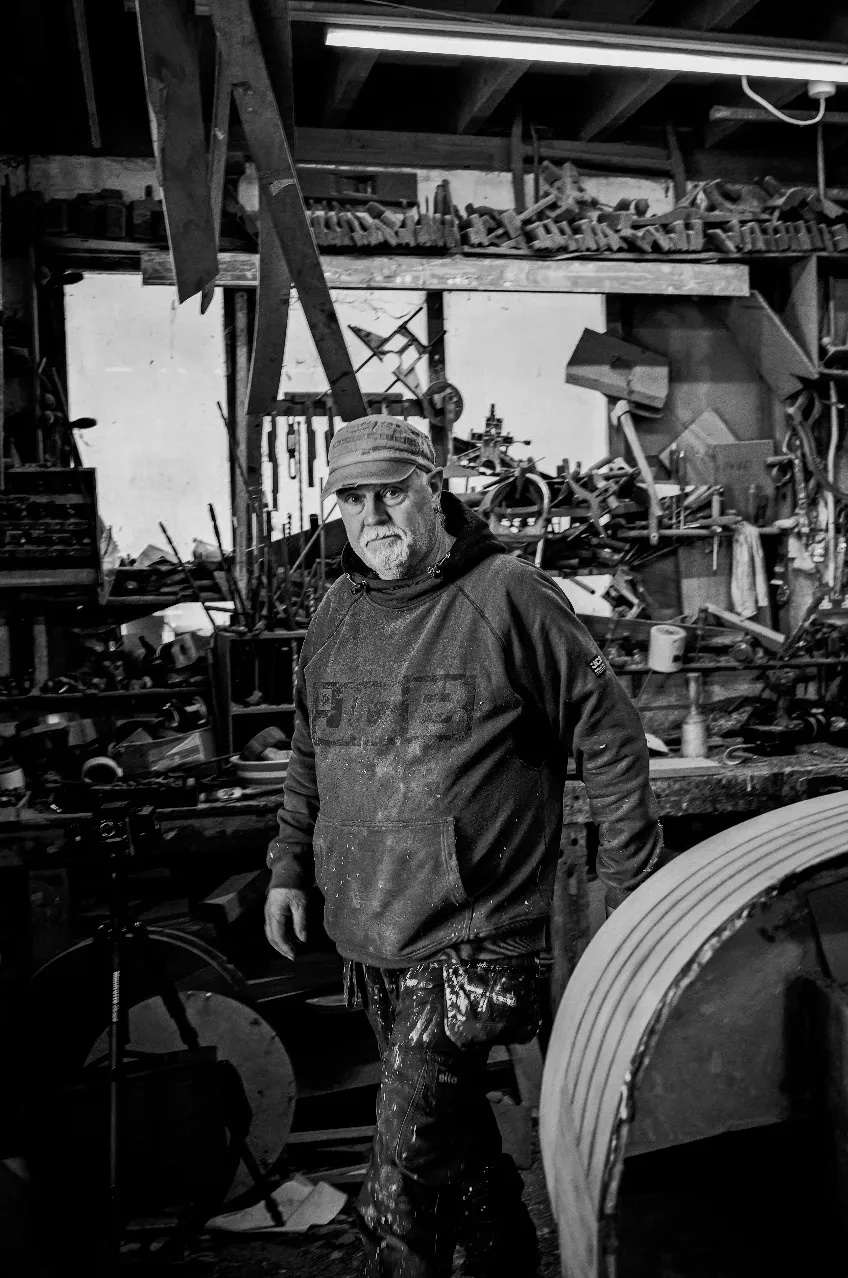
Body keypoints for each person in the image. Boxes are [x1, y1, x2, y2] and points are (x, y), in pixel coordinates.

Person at [263, 416, 665, 1278]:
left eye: (393, 493)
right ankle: (504, 1259)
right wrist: (289, 866)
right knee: (460, 1145)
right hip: (371, 924)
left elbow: (612, 734)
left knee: (399, 1179)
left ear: (433, 487)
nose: (375, 517)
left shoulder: (509, 592)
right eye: (353, 499)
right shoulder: (335, 611)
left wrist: (633, 886)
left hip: (478, 930)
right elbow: (310, 749)